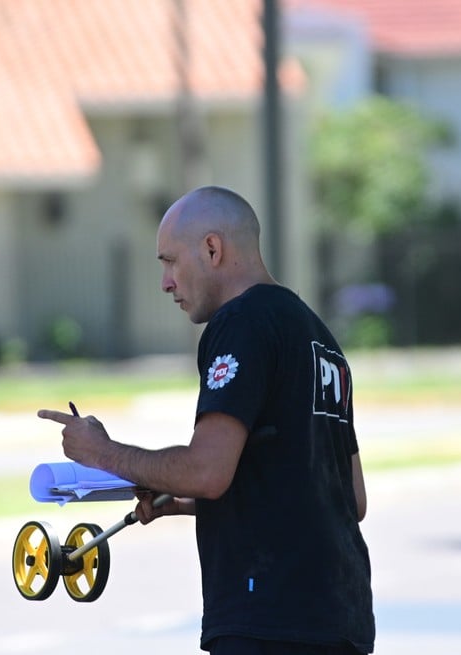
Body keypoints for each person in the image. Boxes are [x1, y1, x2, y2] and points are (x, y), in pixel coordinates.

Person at [38, 185, 374, 655]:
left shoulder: (242, 322)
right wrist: (186, 500)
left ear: (212, 249)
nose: (166, 283)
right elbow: (348, 498)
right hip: (341, 618)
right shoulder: (320, 338)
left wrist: (101, 452)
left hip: (268, 619)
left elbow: (207, 471)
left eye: (169, 262)